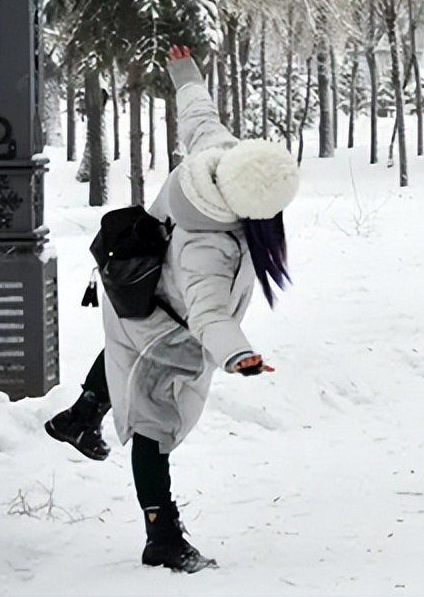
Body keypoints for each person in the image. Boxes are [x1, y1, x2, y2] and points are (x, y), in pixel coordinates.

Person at [45, 45, 298, 571]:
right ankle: (161, 536)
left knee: (124, 356)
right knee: (154, 424)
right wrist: (239, 355)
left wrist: (186, 74)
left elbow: (200, 116)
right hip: (165, 322)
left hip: (138, 292)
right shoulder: (212, 246)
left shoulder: (216, 157)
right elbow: (209, 314)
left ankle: (82, 414)